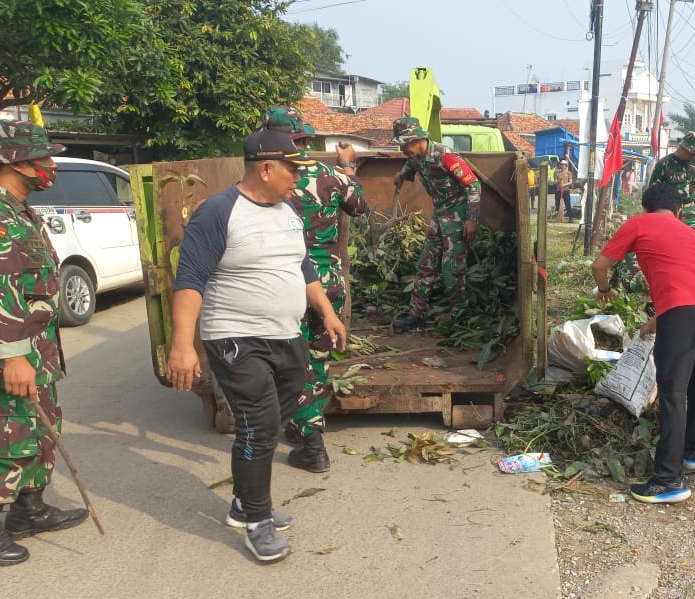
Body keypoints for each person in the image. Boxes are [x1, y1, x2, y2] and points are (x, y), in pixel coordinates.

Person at [166, 129, 347, 563]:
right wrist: (181, 345)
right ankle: (257, 522)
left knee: (279, 413)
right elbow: (189, 280)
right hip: (234, 336)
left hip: (286, 335)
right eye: (292, 169)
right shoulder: (218, 213)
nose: (298, 178)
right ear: (265, 168)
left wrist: (326, 309)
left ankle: (246, 500)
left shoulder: (287, 210)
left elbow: (301, 266)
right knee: (259, 426)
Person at [0, 121, 87, 566]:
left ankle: (28, 510)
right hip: (3, 352)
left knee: (44, 429)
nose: (51, 165)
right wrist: (13, 358)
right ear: (16, 161)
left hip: (34, 347)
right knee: (13, 439)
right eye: (44, 158)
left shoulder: (16, 209)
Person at [591, 181, 695, 504]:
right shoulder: (691, 233)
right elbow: (690, 280)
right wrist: (656, 321)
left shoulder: (639, 223)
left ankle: (668, 479)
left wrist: (604, 289)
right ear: (679, 210)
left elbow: (599, 266)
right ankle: (691, 453)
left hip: (684, 309)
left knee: (672, 390)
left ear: (644, 208)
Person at [260, 107, 369, 474]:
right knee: (316, 360)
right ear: (304, 139)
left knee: (292, 362)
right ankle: (304, 427)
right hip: (329, 279)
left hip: (287, 281)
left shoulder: (267, 179)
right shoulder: (331, 175)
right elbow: (360, 206)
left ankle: (312, 444)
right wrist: (347, 168)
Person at [390, 116, 481, 332]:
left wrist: (471, 219)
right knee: (425, 263)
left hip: (458, 214)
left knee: (452, 267)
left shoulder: (445, 156)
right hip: (440, 214)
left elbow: (474, 185)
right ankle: (417, 315)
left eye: (404, 145)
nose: (403, 150)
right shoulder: (416, 158)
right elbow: (409, 167)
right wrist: (401, 176)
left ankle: (459, 316)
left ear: (415, 140)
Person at [647, 131, 695, 244]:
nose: (694, 155)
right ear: (683, 147)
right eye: (692, 152)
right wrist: (652, 217)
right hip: (668, 214)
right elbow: (652, 194)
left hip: (690, 214)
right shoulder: (664, 164)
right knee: (668, 245)